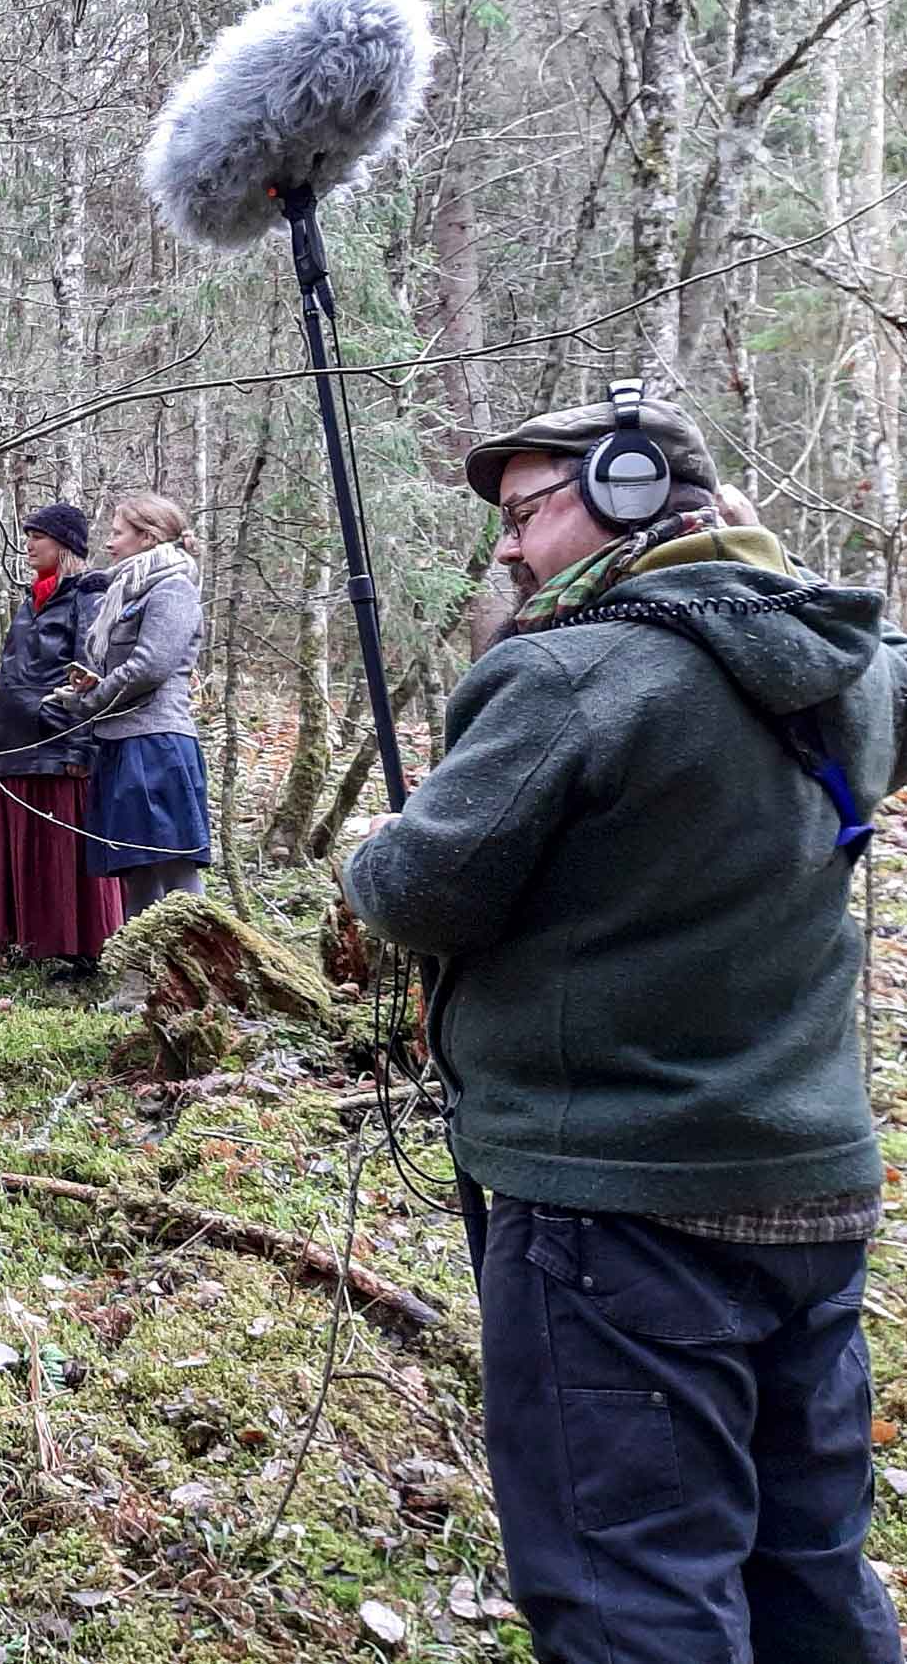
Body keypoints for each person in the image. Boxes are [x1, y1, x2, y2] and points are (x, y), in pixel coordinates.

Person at [342, 390, 906, 1664]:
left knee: (632, 1591)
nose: (504, 549)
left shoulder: (569, 673)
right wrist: (761, 567)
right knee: (809, 1569)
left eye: (527, 514)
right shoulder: (850, 665)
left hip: (617, 1209)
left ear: (637, 490)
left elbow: (418, 892)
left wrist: (375, 850)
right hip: (812, 1190)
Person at [0, 504, 125, 972]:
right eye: (28, 536)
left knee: (56, 848)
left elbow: (92, 674)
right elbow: (11, 672)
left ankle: (76, 946)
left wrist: (82, 746)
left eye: (37, 537)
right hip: (11, 739)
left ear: (63, 544)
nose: (28, 545)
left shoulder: (89, 596)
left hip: (55, 740)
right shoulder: (34, 598)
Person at [53, 493, 209, 912]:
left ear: (147, 537)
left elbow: (149, 668)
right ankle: (139, 971)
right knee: (134, 865)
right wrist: (89, 688)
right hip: (121, 742)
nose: (108, 542)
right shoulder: (128, 591)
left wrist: (91, 701)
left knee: (174, 865)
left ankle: (194, 964)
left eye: (118, 532)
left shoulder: (173, 588)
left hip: (158, 744)